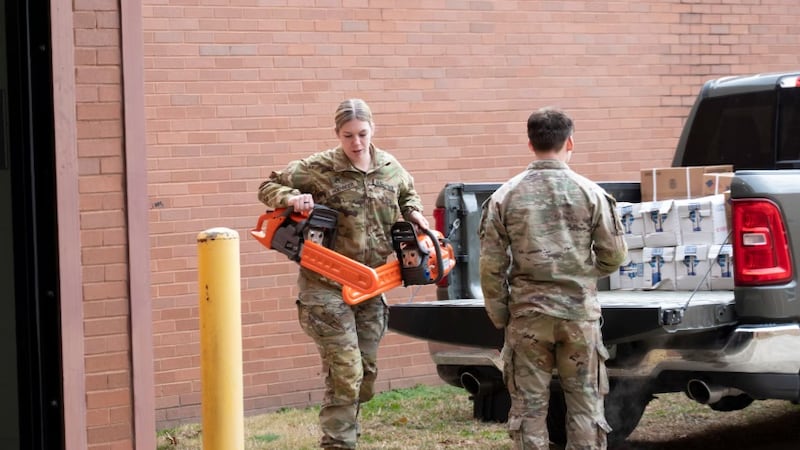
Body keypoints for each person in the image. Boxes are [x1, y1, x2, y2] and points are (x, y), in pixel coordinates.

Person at [257, 98, 429, 450]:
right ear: (338, 134)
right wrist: (292, 199)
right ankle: (338, 443)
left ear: (372, 130)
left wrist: (415, 214)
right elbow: (268, 187)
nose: (356, 143)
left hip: (370, 283)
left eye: (362, 134)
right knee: (346, 373)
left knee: (364, 376)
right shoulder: (319, 167)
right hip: (326, 285)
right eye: (348, 135)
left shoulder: (390, 167)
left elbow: (407, 193)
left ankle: (346, 425)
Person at [478, 107, 627, 449]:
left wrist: (501, 314)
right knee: (586, 409)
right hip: (578, 316)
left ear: (530, 144)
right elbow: (615, 255)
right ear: (570, 142)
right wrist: (582, 272)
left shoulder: (505, 197)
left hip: (528, 319)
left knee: (529, 411)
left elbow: (491, 267)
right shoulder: (591, 194)